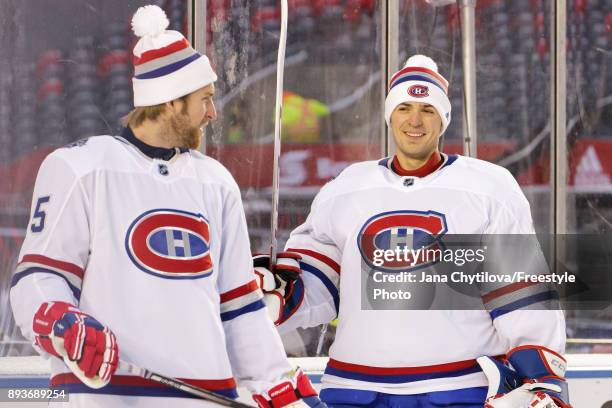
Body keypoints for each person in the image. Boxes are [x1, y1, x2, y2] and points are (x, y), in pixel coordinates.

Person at [10, 5, 323, 408]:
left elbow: (240, 307)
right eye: (205, 99)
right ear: (172, 102)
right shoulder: (80, 167)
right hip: (108, 397)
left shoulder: (215, 181)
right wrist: (61, 322)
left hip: (206, 398)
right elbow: (38, 277)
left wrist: (277, 388)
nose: (212, 112)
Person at [254, 55, 571, 408]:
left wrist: (542, 378)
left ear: (443, 120)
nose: (415, 120)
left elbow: (520, 288)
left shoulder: (489, 188)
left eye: (428, 109)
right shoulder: (346, 188)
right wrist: (276, 295)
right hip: (355, 389)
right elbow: (320, 281)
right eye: (404, 107)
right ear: (390, 115)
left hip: (460, 388)